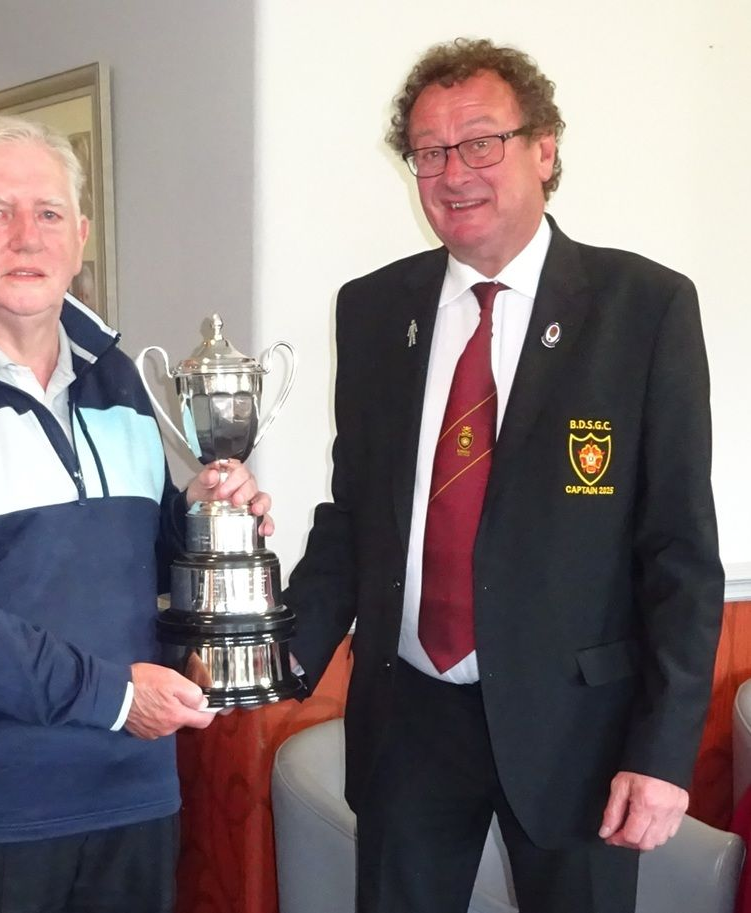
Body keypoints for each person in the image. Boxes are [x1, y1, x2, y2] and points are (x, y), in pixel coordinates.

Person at [284, 38, 723, 913]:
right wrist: (281, 650)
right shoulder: (373, 310)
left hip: (579, 731)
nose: (455, 173)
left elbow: (680, 551)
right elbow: (355, 513)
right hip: (409, 720)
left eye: (481, 142)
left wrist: (663, 752)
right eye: (429, 152)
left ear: (544, 148)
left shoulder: (644, 308)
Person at [0, 115, 272, 913]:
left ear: (80, 238)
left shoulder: (119, 378)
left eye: (49, 213)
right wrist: (111, 697)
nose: (26, 237)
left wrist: (206, 519)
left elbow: (138, 551)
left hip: (131, 803)